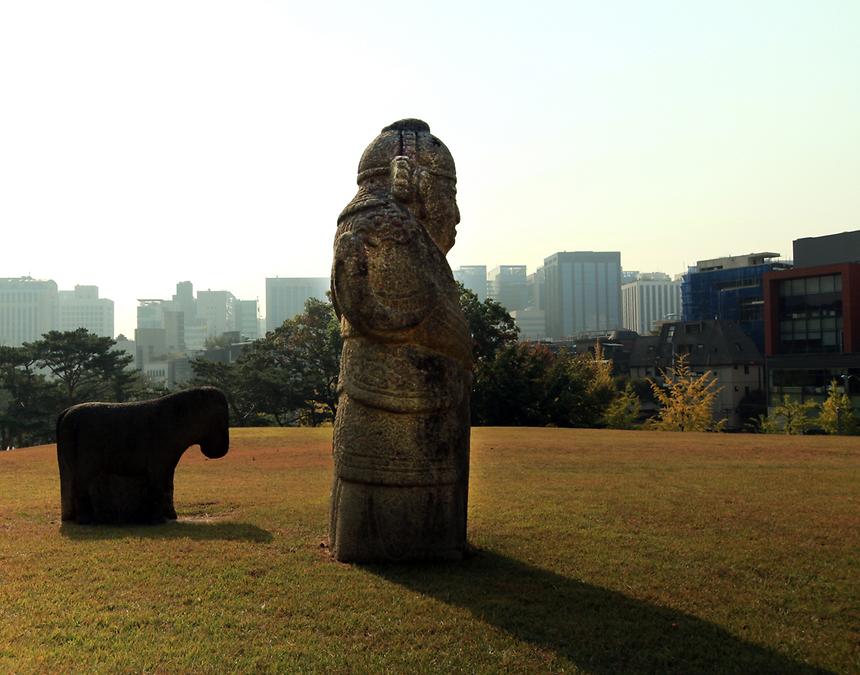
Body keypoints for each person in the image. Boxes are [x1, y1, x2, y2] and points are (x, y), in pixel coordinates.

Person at [329, 119, 473, 562]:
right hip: (400, 402)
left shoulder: (364, 225)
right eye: (449, 193)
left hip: (383, 400)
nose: (456, 214)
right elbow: (405, 317)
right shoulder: (390, 231)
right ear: (419, 184)